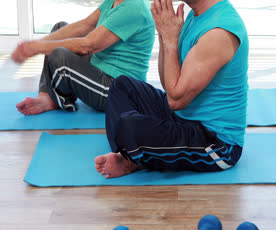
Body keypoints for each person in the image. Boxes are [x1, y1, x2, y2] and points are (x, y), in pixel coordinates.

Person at [95, 0, 249, 178]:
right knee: (122, 85)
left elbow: (176, 100)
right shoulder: (197, 14)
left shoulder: (219, 31)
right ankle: (131, 154)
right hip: (182, 116)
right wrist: (163, 35)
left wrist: (170, 39)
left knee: (130, 126)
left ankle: (134, 154)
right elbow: (169, 84)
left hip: (215, 143)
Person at [11, 0, 155, 115]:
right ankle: (47, 96)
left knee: (59, 54)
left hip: (119, 91)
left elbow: (88, 45)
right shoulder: (115, 1)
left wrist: (36, 48)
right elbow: (84, 25)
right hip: (100, 69)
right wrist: (38, 43)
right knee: (59, 28)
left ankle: (58, 98)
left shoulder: (134, 7)